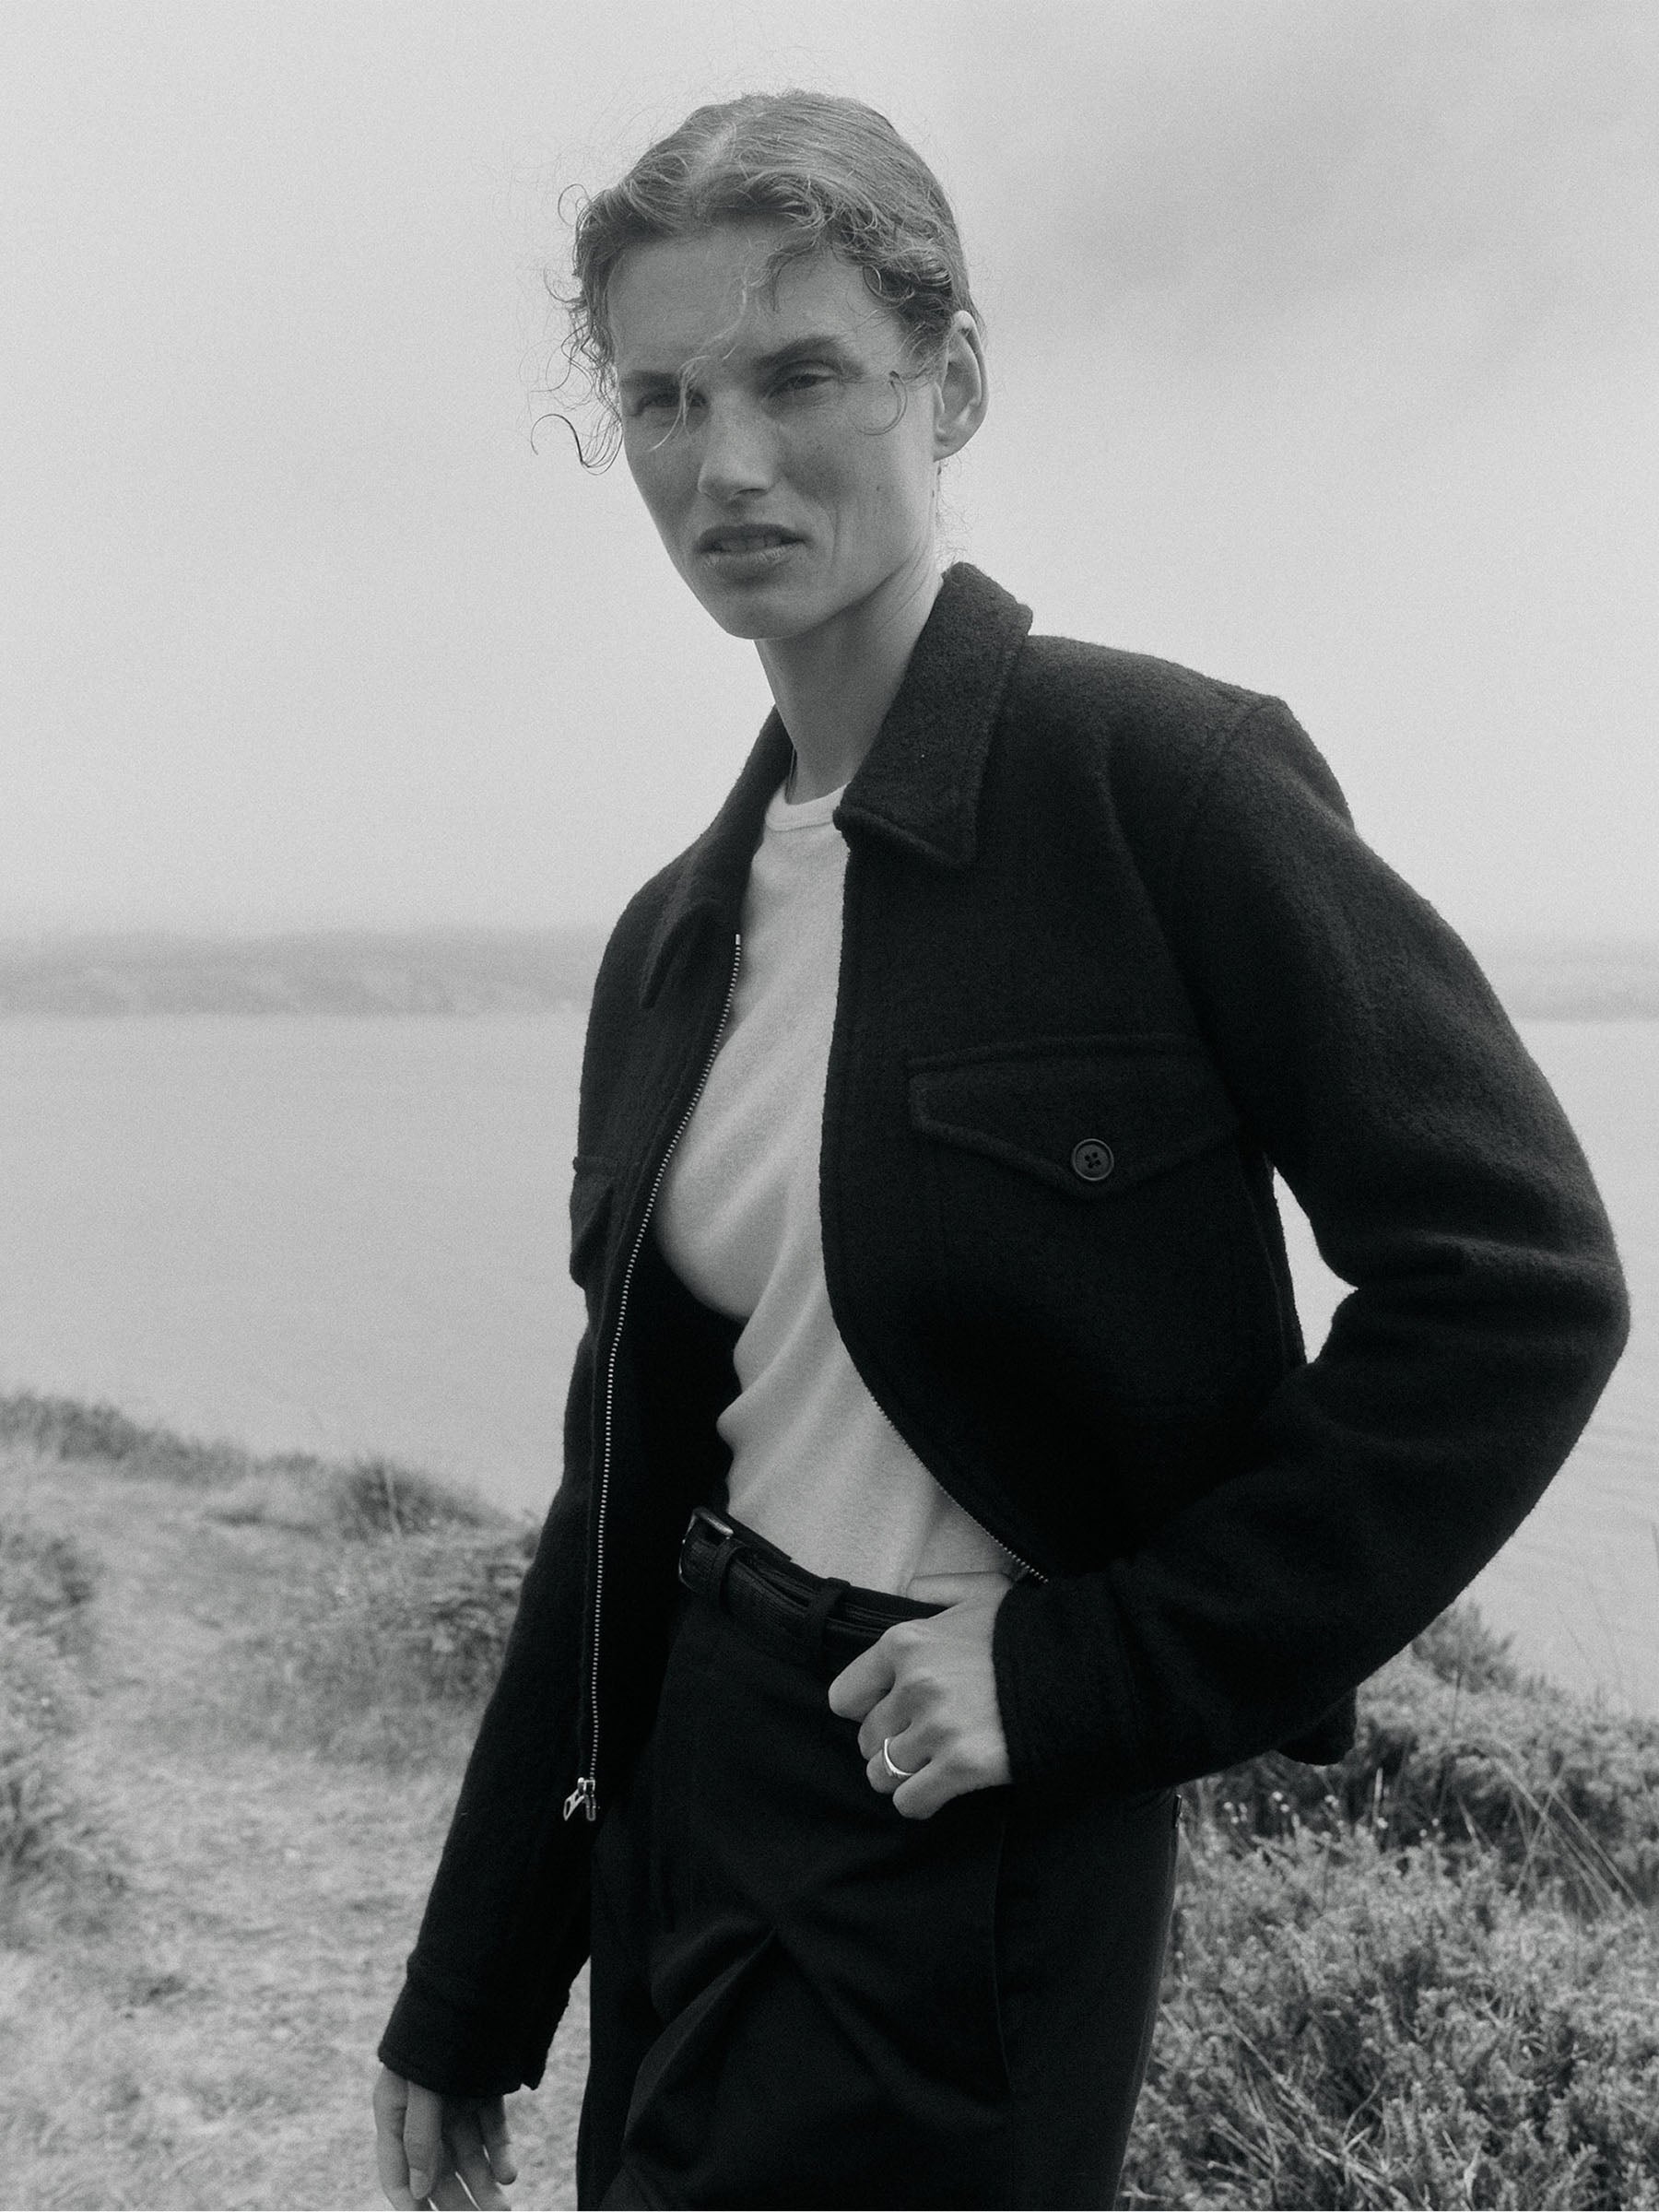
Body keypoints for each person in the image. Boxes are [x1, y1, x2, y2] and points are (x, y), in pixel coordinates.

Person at [371, 89, 1629, 2210]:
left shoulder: (1161, 784)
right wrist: (476, 1979)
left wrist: (1092, 1675)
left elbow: (1516, 1287)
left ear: (948, 381)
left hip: (956, 1819)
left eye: (800, 376)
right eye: (665, 398)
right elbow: (624, 1490)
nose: (726, 460)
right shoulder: (679, 935)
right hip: (700, 1784)